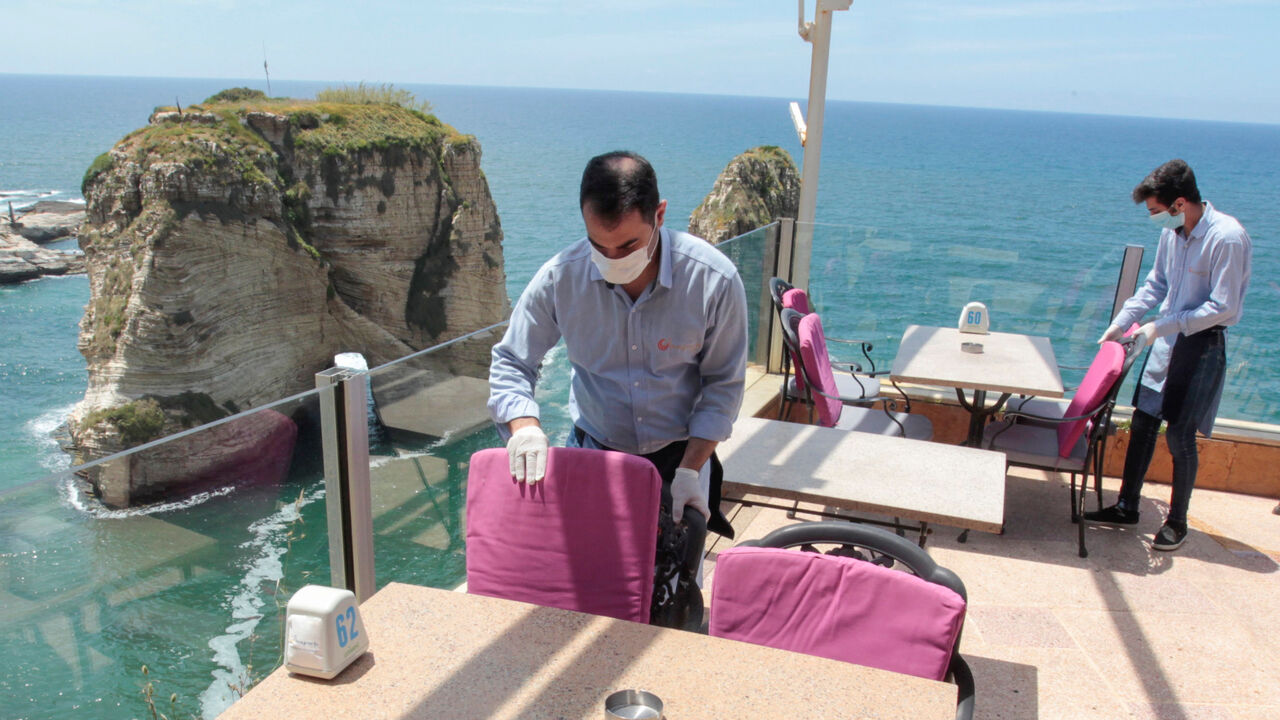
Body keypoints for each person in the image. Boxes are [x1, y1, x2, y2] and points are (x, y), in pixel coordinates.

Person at [487, 150, 748, 543]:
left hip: (682, 454)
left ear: (659, 216)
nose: (612, 260)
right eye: (599, 245)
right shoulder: (562, 278)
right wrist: (524, 427)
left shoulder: (714, 280)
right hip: (594, 451)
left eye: (627, 246)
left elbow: (722, 386)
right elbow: (511, 362)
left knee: (674, 585)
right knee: (594, 577)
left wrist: (691, 470)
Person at [1084, 159, 1252, 551]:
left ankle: (1178, 522)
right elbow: (1155, 285)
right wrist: (1123, 321)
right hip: (1163, 340)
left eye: (1156, 211)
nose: (1153, 220)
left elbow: (1224, 307)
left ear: (1179, 203)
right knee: (1143, 423)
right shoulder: (1172, 235)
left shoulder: (1227, 237)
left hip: (1201, 344)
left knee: (1179, 436)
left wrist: (1161, 325)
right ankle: (1127, 506)